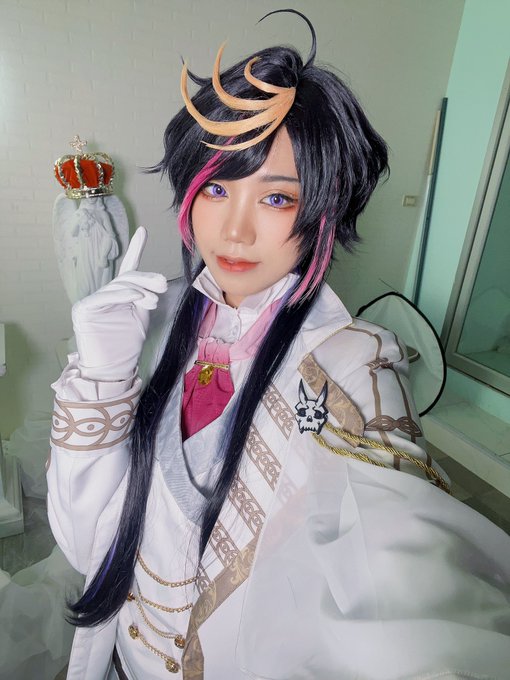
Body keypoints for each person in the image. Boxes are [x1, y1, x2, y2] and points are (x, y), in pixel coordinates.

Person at [47, 11, 510, 680]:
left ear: (324, 211)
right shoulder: (154, 324)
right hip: (121, 654)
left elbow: (407, 584)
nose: (234, 231)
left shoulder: (353, 364)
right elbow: (83, 540)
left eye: (276, 199)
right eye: (216, 188)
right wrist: (101, 375)